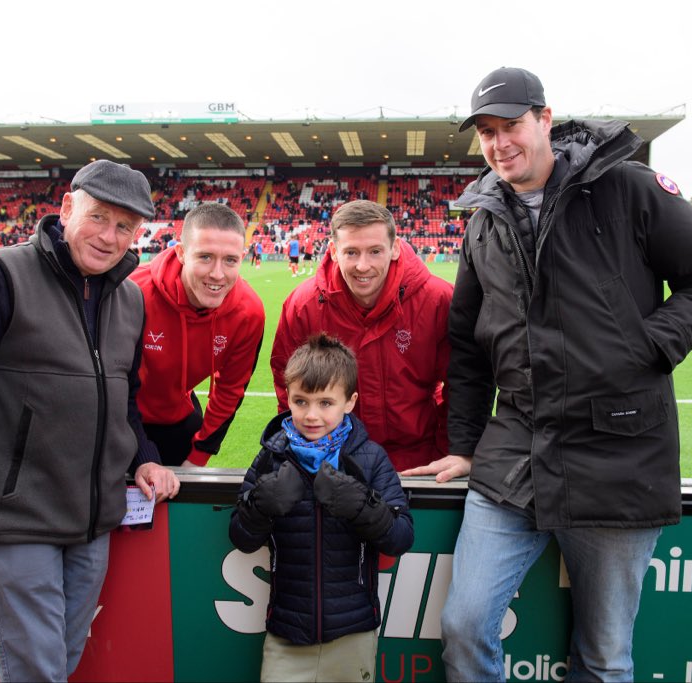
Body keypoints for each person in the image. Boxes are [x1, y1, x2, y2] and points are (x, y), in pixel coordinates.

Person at [402, 67, 692, 681]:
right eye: (486, 132)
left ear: (545, 119)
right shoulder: (483, 216)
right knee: (463, 623)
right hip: (516, 448)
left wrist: (644, 344)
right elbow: (469, 344)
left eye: (511, 126)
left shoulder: (630, 187)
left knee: (604, 655)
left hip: (620, 448)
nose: (500, 143)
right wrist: (464, 445)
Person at [0, 160, 180, 682]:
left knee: (55, 664)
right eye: (99, 217)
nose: (110, 237)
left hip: (92, 524)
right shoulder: (0, 273)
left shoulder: (129, 297)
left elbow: (120, 396)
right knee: (36, 672)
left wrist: (143, 459)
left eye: (125, 226)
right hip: (19, 519)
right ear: (67, 207)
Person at [229, 333, 414, 682]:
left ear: (350, 401)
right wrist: (263, 505)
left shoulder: (370, 458)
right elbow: (241, 536)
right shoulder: (272, 456)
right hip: (286, 633)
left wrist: (360, 505)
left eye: (326, 403)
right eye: (301, 402)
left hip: (353, 634)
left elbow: (400, 537)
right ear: (289, 399)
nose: (311, 415)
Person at [271, 199, 453, 472]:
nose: (363, 266)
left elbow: (461, 384)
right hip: (332, 460)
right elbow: (286, 384)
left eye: (375, 251)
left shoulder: (438, 300)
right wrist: (306, 453)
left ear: (394, 248)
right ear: (333, 251)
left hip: (418, 461)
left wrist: (449, 451)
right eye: (351, 252)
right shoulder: (303, 305)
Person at [130, 203, 266, 467]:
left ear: (243, 256)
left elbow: (230, 391)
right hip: (122, 419)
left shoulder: (249, 313)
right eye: (205, 257)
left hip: (179, 419)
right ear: (181, 253)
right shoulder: (133, 292)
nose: (217, 274)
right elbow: (108, 383)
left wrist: (198, 457)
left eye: (230, 260)